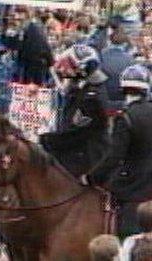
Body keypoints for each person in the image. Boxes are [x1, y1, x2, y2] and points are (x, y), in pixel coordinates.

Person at [81, 64, 152, 237]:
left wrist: (91, 177)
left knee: (125, 233)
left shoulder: (126, 117)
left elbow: (114, 157)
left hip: (133, 188)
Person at [40, 44, 110, 177]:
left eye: (68, 66)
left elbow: (73, 134)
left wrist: (45, 140)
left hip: (85, 158)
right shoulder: (84, 91)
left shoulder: (91, 99)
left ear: (81, 71)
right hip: (81, 151)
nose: (62, 70)